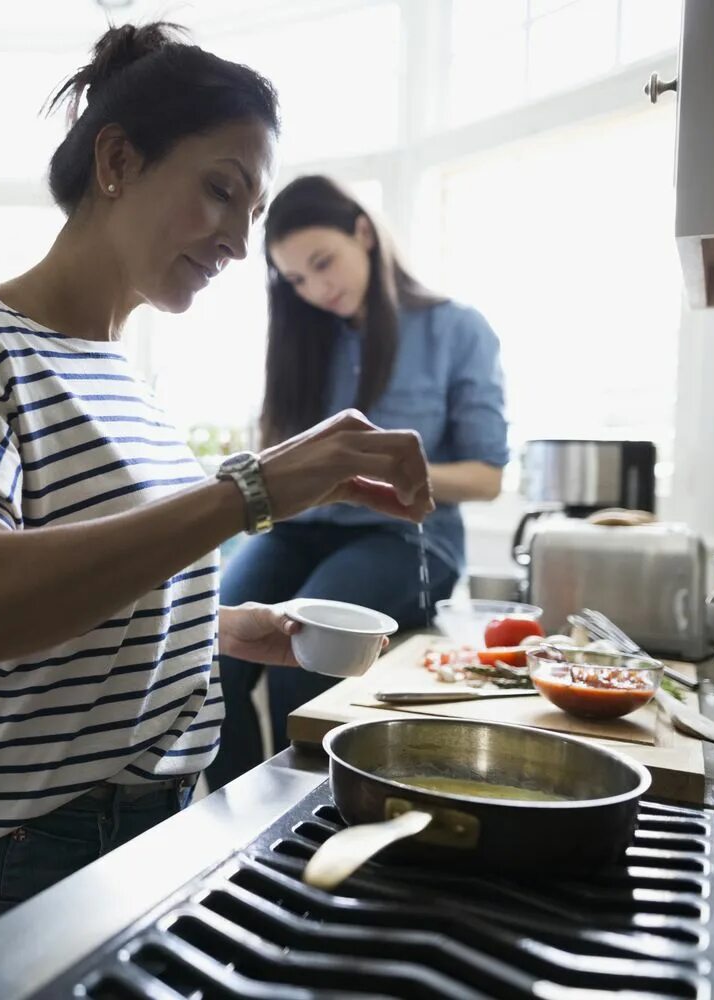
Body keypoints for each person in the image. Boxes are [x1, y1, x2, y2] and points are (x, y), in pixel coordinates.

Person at [0, 24, 434, 960]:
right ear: (119, 159)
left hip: (148, 825)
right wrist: (251, 490)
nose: (236, 239)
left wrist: (227, 625)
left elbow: (85, 598)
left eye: (250, 211)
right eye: (221, 189)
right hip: (27, 854)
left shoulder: (124, 379)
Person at [205, 175, 510, 791]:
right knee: (212, 655)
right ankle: (238, 826)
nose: (317, 289)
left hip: (400, 537)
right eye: (296, 281)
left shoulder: (457, 329)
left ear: (364, 234)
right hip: (301, 531)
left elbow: (487, 478)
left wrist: (364, 470)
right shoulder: (301, 339)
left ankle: (303, 823)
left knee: (308, 660)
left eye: (323, 264)